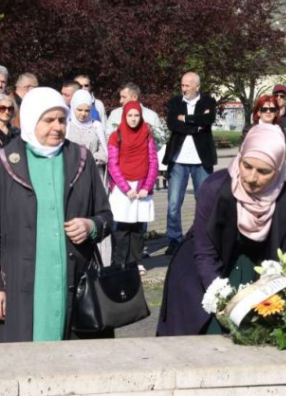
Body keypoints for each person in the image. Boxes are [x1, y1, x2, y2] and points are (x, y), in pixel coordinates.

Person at [0, 87, 113, 343]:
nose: (57, 127)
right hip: (21, 285)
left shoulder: (80, 159)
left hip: (72, 283)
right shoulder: (5, 162)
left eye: (62, 120)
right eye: (49, 120)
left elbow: (106, 217)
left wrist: (90, 226)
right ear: (31, 119)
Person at [156, 124, 286, 336]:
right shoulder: (215, 188)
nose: (251, 178)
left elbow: (283, 259)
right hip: (203, 272)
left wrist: (262, 295)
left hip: (256, 276)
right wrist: (223, 300)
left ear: (278, 170)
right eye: (246, 165)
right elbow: (204, 252)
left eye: (263, 171)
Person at [162, 72, 217, 255]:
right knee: (173, 204)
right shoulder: (176, 103)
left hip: (201, 160)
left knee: (204, 203)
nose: (183, 89)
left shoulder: (208, 102)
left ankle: (203, 238)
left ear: (197, 87)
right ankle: (174, 239)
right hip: (178, 160)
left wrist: (185, 119)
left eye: (187, 85)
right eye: (182, 85)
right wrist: (197, 125)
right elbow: (172, 124)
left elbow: (208, 121)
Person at [107, 101, 158, 275]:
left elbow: (153, 162)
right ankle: (119, 261)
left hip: (142, 185)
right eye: (130, 115)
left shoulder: (147, 134)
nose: (133, 119)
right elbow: (112, 164)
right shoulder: (116, 135)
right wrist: (125, 188)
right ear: (124, 116)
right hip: (123, 188)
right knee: (122, 227)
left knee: (137, 227)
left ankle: (136, 261)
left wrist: (147, 186)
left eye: (137, 115)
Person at [66, 90, 107, 178]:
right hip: (71, 174)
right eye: (79, 110)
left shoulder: (96, 126)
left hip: (93, 174)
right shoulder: (66, 127)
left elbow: (104, 152)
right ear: (73, 108)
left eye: (87, 110)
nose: (83, 114)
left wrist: (91, 158)